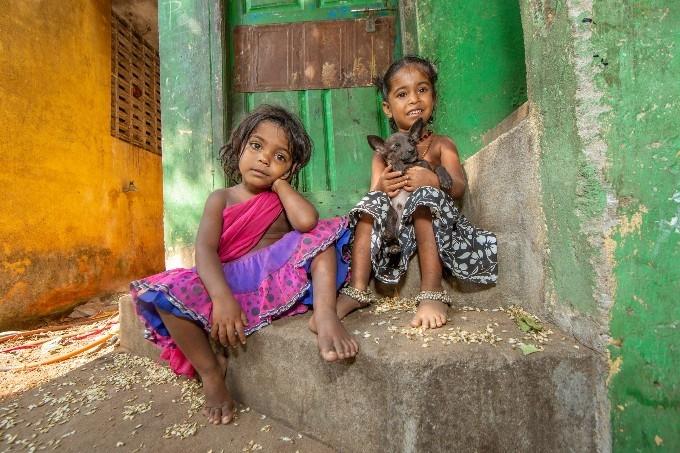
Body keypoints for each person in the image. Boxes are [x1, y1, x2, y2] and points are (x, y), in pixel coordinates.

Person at [130, 105, 358, 425]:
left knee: (322, 237)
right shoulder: (221, 198)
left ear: (291, 169)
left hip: (275, 272)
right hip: (232, 280)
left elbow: (307, 222)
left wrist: (280, 185)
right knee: (165, 294)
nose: (265, 158)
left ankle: (324, 313)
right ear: (240, 147)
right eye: (257, 146)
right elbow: (206, 251)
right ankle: (211, 373)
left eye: (280, 157)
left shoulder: (282, 196)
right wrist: (222, 298)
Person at [336, 56, 498, 329]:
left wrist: (432, 179)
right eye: (402, 94)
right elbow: (375, 195)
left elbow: (457, 187)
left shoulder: (440, 145)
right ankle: (357, 289)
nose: (414, 99)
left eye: (422, 90)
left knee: (424, 198)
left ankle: (432, 292)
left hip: (435, 226)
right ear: (387, 108)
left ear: (433, 98)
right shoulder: (383, 156)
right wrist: (383, 187)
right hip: (396, 233)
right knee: (370, 205)